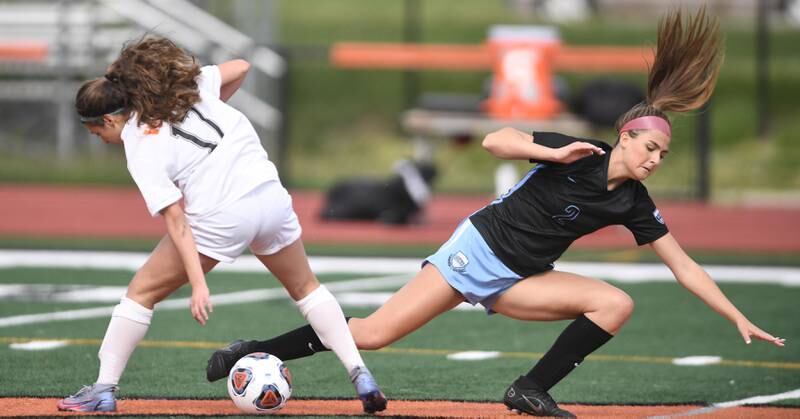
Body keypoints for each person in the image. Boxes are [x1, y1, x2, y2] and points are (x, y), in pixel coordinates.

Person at [206, 8, 786, 418]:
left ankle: (530, 390)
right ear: (625, 136)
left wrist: (736, 316)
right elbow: (494, 141)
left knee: (615, 303)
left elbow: (683, 265)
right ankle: (247, 351)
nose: (656, 159)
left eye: (663, 153)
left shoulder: (633, 201)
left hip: (522, 276)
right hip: (477, 250)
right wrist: (549, 151)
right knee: (374, 334)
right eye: (650, 147)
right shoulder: (577, 152)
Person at [56, 37, 387, 414]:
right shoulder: (187, 91)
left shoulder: (138, 140)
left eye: (97, 132)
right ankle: (360, 373)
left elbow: (177, 222)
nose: (101, 139)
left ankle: (103, 389)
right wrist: (200, 92)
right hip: (270, 197)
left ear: (112, 118)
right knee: (307, 289)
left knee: (141, 292)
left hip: (223, 213)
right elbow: (242, 67)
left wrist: (198, 283)